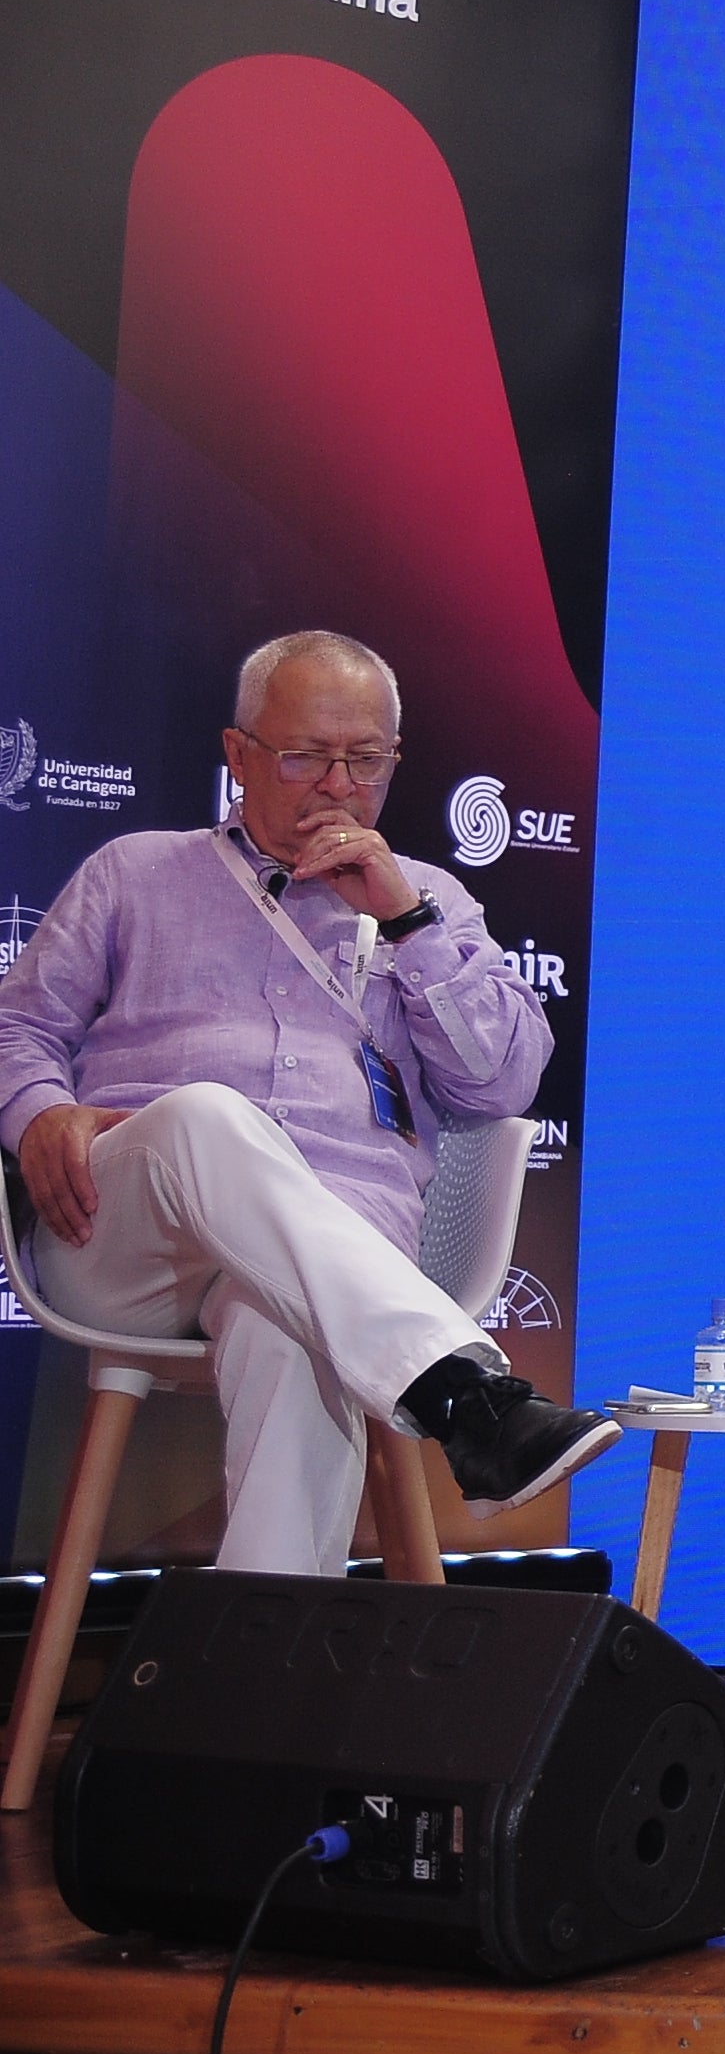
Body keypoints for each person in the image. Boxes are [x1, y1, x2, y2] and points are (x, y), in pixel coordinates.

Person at [0, 632, 612, 1571]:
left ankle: (247, 1702)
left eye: (364, 761)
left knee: (289, 1330)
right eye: (304, 756)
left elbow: (500, 1086)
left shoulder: (431, 899)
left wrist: (407, 922)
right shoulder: (134, 871)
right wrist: (39, 1109)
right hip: (126, 1234)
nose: (336, 785)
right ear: (239, 754)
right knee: (206, 1114)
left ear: (395, 763)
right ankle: (462, 1393)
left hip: (329, 1261)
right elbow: (17, 1027)